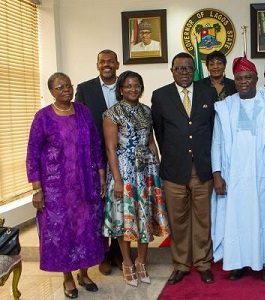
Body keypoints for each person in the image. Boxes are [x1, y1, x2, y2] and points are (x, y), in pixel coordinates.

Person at [27, 72, 105, 299]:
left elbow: (95, 144)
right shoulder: (43, 117)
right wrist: (37, 189)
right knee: (62, 232)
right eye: (61, 87)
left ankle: (84, 273)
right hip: (55, 189)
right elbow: (32, 153)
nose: (66, 90)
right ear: (51, 91)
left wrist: (101, 176)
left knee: (86, 229)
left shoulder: (83, 111)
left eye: (69, 86)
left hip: (85, 184)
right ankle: (68, 278)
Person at [211, 56, 265, 282]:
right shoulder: (225, 107)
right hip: (233, 175)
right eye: (239, 78)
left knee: (264, 216)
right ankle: (237, 262)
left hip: (264, 174)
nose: (244, 81)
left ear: (256, 78)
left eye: (248, 77)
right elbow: (216, 142)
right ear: (233, 81)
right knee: (236, 218)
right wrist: (217, 174)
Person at [151, 52, 217, 285]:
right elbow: (159, 132)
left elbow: (213, 130)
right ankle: (181, 264)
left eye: (189, 68)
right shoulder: (160, 96)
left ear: (194, 70)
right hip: (174, 169)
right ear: (172, 71)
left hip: (202, 167)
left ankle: (203, 263)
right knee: (177, 219)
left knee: (203, 218)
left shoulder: (209, 92)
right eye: (179, 68)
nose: (185, 72)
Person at [102, 71, 169, 287]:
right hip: (123, 169)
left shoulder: (147, 111)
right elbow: (111, 148)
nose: (133, 89)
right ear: (121, 89)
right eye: (128, 86)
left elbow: (151, 142)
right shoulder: (112, 113)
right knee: (125, 218)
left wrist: (156, 168)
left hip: (146, 171)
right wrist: (118, 180)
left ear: (141, 88)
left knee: (145, 217)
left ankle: (142, 261)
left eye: (137, 85)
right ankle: (127, 263)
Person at [75, 49, 123, 276]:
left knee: (121, 204)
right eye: (102, 62)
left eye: (110, 61)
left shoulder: (127, 84)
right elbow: (79, 125)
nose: (107, 65)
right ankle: (103, 254)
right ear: (97, 65)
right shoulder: (85, 89)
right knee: (101, 206)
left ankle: (119, 252)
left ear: (117, 64)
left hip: (123, 155)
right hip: (96, 157)